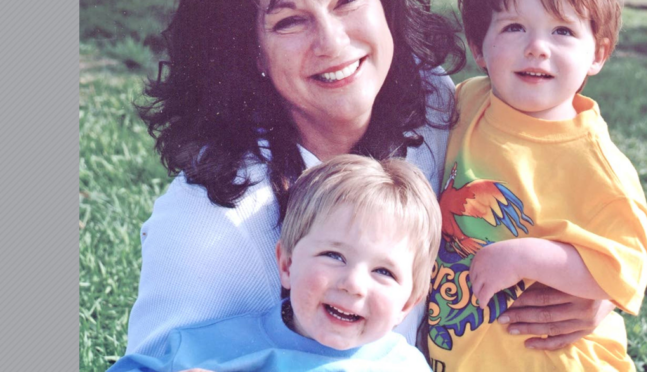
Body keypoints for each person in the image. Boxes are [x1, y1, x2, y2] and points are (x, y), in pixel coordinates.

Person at [126, 0, 615, 361]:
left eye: (348, 1)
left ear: (386, 3)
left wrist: (591, 295)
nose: (333, 42)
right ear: (249, 51)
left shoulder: (434, 106)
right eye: (289, 23)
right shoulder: (210, 225)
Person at [426, 0, 647, 371]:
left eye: (563, 32)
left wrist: (529, 256)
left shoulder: (597, 164)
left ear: (598, 53)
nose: (537, 48)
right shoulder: (469, 102)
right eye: (514, 27)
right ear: (479, 46)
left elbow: (625, 271)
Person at [109, 155, 440, 371]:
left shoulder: (403, 366)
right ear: (286, 265)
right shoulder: (216, 348)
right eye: (333, 256)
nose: (353, 283)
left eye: (383, 271)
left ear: (407, 305)